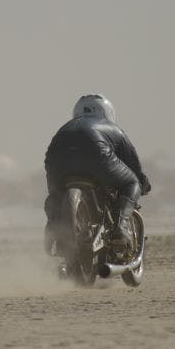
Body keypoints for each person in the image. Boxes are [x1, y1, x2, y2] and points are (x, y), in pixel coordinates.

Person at [43, 94, 151, 252]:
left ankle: (53, 226)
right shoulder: (112, 128)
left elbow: (49, 160)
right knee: (131, 182)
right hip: (96, 156)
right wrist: (143, 183)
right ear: (107, 112)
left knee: (56, 194)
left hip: (57, 156)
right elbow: (133, 164)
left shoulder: (66, 127)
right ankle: (120, 227)